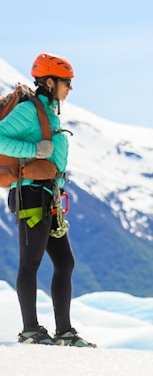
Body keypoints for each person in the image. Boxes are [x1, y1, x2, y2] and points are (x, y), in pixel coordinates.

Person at [0, 53, 95, 347]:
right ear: (50, 82)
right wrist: (34, 151)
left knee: (65, 262)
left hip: (48, 194)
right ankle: (30, 330)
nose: (70, 88)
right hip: (30, 192)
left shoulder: (48, 111)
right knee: (31, 263)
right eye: (67, 82)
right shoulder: (30, 110)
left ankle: (64, 331)